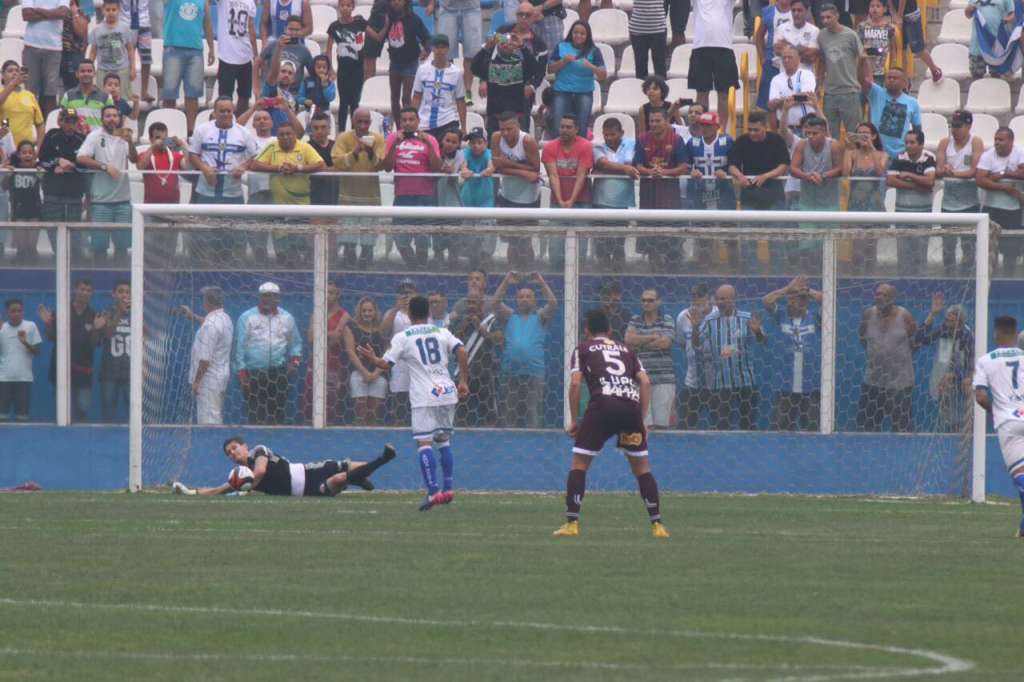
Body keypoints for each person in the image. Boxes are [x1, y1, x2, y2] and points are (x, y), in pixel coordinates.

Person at [554, 308, 669, 539]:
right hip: (630, 408)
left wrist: (575, 419)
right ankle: (658, 526)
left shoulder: (583, 348)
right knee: (642, 469)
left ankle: (572, 524)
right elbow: (645, 382)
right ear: (609, 331)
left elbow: (576, 383)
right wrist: (642, 418)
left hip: (602, 407)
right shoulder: (627, 349)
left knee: (579, 464)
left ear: (586, 331)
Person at [358, 295, 470, 511]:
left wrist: (373, 359)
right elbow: (462, 351)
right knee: (444, 441)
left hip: (424, 395)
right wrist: (463, 381)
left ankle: (433, 492)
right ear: (428, 313)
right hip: (447, 391)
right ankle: (448, 489)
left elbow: (385, 364)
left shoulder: (404, 336)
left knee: (424, 443)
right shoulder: (442, 331)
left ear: (408, 314)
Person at [173, 437, 396, 496]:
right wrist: (189, 491)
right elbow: (218, 490)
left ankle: (357, 477)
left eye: (234, 448)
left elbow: (260, 470)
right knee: (339, 480)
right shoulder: (240, 477)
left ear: (245, 446)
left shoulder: (258, 451)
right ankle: (381, 461)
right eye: (229, 453)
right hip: (307, 489)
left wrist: (246, 490)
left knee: (359, 466)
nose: (233, 453)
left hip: (310, 470)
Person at [973, 316, 1024, 536]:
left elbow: (981, 397)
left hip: (1009, 423)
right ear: (1015, 334)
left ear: (996, 333)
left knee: (1020, 475)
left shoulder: (986, 360)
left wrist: (998, 412)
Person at [692, 283, 766, 431]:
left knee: (748, 425)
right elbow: (697, 345)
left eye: (724, 299)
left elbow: (762, 341)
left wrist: (757, 332)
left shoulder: (746, 318)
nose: (720, 302)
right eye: (718, 299)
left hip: (745, 380)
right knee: (720, 425)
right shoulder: (709, 320)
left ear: (733, 300)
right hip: (721, 382)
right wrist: (695, 328)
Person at [490, 270, 557, 428]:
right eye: (521, 296)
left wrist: (541, 281)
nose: (524, 299)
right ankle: (507, 444)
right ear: (516, 300)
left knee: (533, 412)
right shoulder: (510, 316)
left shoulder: (539, 317)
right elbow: (495, 303)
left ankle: (535, 444)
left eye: (528, 296)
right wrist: (506, 281)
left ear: (534, 301)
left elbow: (553, 303)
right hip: (510, 372)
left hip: (534, 372)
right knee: (508, 413)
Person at [234, 281, 303, 425]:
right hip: (253, 372)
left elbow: (296, 343)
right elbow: (239, 347)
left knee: (278, 416)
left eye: (271, 296)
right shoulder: (246, 317)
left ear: (278, 298)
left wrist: (294, 363)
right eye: (264, 296)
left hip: (278, 372)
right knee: (254, 415)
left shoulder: (287, 318)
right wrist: (241, 372)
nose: (267, 299)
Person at [727, 111, 789, 267]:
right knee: (748, 242)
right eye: (750, 129)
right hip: (750, 197)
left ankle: (778, 275)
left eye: (756, 130)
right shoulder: (742, 141)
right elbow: (731, 165)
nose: (752, 133)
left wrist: (766, 176)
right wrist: (740, 176)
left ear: (765, 127)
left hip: (774, 197)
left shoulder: (776, 140)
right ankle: (750, 274)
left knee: (776, 242)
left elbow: (784, 166)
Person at [384, 107, 442, 267]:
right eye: (404, 120)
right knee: (400, 238)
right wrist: (395, 146)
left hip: (425, 196)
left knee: (422, 240)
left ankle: (421, 269)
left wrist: (428, 145)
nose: (408, 123)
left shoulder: (430, 139)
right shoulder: (392, 138)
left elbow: (437, 167)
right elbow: (387, 167)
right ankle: (412, 265)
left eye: (411, 119)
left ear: (418, 121)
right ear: (400, 122)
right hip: (402, 196)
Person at [76, 104, 136, 260]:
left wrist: (130, 142)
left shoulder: (124, 136)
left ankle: (122, 280)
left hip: (123, 200)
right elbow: (81, 157)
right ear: (102, 119)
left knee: (122, 248)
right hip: (100, 201)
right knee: (99, 248)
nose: (112, 119)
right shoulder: (95, 136)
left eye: (115, 116)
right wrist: (104, 167)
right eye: (108, 116)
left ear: (119, 118)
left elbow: (135, 160)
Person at [761, 276, 821, 431]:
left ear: (806, 302)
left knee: (813, 432)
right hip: (785, 387)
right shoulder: (780, 315)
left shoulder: (815, 317)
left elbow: (829, 302)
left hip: (811, 387)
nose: (794, 302)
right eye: (791, 299)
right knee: (778, 431)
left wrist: (807, 290)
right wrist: (788, 289)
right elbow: (766, 301)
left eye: (800, 299)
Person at [856, 283, 916, 432]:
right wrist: (878, 354)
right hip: (873, 381)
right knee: (866, 428)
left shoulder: (905, 316)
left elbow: (914, 342)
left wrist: (896, 356)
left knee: (902, 429)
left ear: (893, 298)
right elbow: (862, 339)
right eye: (877, 294)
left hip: (900, 383)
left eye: (884, 295)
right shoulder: (868, 315)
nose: (880, 297)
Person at [37, 279, 99, 421]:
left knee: (83, 409)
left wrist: (96, 328)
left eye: (88, 290)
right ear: (75, 290)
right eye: (82, 289)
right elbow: (52, 337)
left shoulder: (94, 315)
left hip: (84, 368)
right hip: (61, 367)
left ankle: (82, 439)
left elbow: (94, 343)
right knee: (62, 409)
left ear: (92, 293)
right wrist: (48, 324)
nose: (84, 293)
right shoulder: (61, 310)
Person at [635, 106, 689, 271]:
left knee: (671, 233)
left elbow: (683, 167)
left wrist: (665, 172)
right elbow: (637, 165)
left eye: (658, 120)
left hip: (669, 195)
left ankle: (673, 267)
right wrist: (650, 172)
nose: (654, 124)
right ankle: (653, 266)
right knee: (650, 232)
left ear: (666, 121)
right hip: (648, 194)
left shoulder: (676, 140)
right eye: (651, 121)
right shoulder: (642, 139)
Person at [332, 107, 385, 268]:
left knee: (368, 244)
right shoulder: (343, 138)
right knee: (348, 242)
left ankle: (366, 271)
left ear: (370, 122)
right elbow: (337, 161)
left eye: (366, 122)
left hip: (371, 197)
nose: (363, 125)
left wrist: (370, 152)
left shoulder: (378, 139)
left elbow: (381, 164)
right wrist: (355, 152)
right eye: (359, 121)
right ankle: (349, 270)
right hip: (347, 196)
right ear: (353, 121)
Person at [915, 291, 974, 434]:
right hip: (947, 378)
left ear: (960, 321)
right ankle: (949, 428)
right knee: (945, 400)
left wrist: (953, 375)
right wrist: (933, 314)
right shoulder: (944, 330)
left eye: (951, 320)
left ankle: (965, 430)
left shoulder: (967, 335)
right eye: (946, 319)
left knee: (963, 403)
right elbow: (920, 338)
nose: (947, 323)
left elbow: (969, 363)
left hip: (964, 377)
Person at [491, 111, 541, 269]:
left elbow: (535, 168)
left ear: (518, 126)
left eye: (509, 129)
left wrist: (508, 164)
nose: (505, 133)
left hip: (528, 198)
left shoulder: (528, 141)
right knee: (511, 239)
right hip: (506, 194)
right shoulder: (496, 138)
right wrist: (522, 172)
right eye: (503, 129)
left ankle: (529, 271)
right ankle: (512, 272)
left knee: (525, 240)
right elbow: (497, 167)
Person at [936, 110, 983, 275]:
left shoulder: (976, 143)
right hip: (948, 204)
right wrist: (945, 170)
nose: (954, 130)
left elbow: (974, 171)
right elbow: (939, 170)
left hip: (969, 203)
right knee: (948, 246)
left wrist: (953, 173)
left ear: (968, 126)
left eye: (958, 126)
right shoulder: (944, 143)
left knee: (969, 247)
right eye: (952, 126)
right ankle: (949, 276)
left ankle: (967, 279)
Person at [542, 113, 593, 267]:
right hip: (558, 203)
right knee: (555, 248)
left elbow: (581, 175)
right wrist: (561, 201)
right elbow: (553, 175)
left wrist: (571, 200)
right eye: (562, 126)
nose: (564, 130)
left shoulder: (585, 146)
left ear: (577, 129)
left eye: (569, 127)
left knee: (580, 250)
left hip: (582, 202)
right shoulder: (549, 147)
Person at [179, 286, 233, 425]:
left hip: (208, 379)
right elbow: (212, 326)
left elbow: (204, 360)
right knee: (215, 414)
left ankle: (212, 445)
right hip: (219, 376)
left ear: (206, 302)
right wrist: (193, 317)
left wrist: (197, 382)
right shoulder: (224, 318)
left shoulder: (210, 326)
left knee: (208, 420)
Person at [976, 127, 1024, 275]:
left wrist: (1003, 173)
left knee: (1011, 251)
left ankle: (1008, 280)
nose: (997, 142)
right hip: (991, 209)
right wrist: (1005, 188)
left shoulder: (1020, 152)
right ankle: (991, 283)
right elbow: (980, 180)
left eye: (1001, 139)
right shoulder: (988, 155)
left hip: (1013, 210)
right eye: (996, 139)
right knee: (990, 250)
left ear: (1011, 141)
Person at [625, 289, 675, 429]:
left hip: (663, 380)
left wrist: (640, 341)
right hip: (640, 380)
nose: (646, 303)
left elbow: (665, 343)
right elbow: (629, 340)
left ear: (659, 302)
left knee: (661, 426)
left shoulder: (667, 319)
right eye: (643, 300)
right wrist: (652, 337)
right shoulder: (635, 320)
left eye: (650, 300)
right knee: (642, 426)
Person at [471, 31, 539, 136]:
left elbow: (534, 68)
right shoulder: (490, 64)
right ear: (497, 46)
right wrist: (486, 48)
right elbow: (474, 67)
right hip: (495, 117)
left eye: (510, 44)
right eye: (502, 43)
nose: (506, 46)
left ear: (514, 47)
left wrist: (522, 47)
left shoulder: (520, 65)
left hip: (517, 116)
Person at [300, 280, 349, 425]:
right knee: (311, 395)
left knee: (331, 398)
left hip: (334, 362)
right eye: (325, 292)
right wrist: (330, 334)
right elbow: (310, 338)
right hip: (315, 360)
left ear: (337, 294)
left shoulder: (344, 315)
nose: (328, 296)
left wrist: (322, 334)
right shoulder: (317, 313)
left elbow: (337, 339)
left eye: (331, 292)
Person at [161, 0, 214, 134]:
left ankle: (191, 132)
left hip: (195, 50)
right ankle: (168, 131)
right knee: (169, 94)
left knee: (193, 95)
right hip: (173, 48)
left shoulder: (204, 1)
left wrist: (211, 47)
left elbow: (207, 24)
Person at [886, 129, 935, 271]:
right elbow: (890, 181)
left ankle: (921, 284)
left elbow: (930, 181)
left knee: (921, 253)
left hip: (923, 214)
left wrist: (909, 175)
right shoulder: (899, 157)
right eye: (906, 142)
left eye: (912, 142)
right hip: (902, 213)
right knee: (903, 254)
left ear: (921, 144)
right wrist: (916, 185)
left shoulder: (928, 158)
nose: (908, 145)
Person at [592, 116, 637, 269]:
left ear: (622, 132)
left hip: (622, 202)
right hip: (600, 202)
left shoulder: (632, 144)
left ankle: (618, 278)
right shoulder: (598, 148)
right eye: (606, 135)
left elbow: (631, 163)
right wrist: (625, 169)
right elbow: (602, 163)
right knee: (601, 244)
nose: (609, 138)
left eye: (613, 134)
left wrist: (608, 168)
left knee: (618, 244)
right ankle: (602, 276)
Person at [449, 288, 500, 427]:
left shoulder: (490, 320)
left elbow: (499, 340)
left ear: (481, 303)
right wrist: (463, 327)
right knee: (461, 416)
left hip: (485, 375)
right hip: (463, 376)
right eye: (469, 302)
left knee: (488, 416)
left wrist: (480, 327)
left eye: (474, 302)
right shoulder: (458, 320)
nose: (471, 306)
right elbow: (450, 343)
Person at [548, 20, 605, 139]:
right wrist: (563, 61)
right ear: (571, 33)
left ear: (587, 35)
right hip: (562, 92)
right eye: (576, 32)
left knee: (582, 127)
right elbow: (550, 69)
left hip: (584, 93)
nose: (578, 35)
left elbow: (603, 75)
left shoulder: (594, 51)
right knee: (558, 126)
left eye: (582, 33)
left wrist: (591, 66)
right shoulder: (561, 46)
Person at [842, 121, 887, 271]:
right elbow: (845, 173)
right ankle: (855, 278)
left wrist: (871, 148)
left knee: (871, 249)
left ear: (873, 135)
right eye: (859, 132)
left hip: (874, 205)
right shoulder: (852, 154)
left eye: (866, 133)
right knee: (857, 250)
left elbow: (880, 172)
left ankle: (871, 276)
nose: (862, 135)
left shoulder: (882, 154)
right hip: (856, 205)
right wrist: (848, 149)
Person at [137, 121, 184, 261]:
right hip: (151, 209)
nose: (161, 141)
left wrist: (184, 146)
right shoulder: (146, 154)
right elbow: (140, 166)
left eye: (164, 138)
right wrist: (152, 147)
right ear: (151, 139)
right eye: (158, 138)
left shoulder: (174, 155)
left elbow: (188, 165)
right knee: (151, 249)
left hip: (172, 210)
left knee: (170, 248)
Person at [817, 3, 865, 141]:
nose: (825, 21)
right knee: (830, 137)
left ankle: (855, 162)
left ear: (837, 16)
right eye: (823, 18)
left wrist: (864, 80)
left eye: (828, 17)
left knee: (855, 135)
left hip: (849, 91)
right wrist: (819, 84)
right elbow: (821, 61)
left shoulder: (850, 35)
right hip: (830, 93)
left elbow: (863, 58)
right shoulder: (821, 35)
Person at [689, 0, 737, 131]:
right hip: (700, 47)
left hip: (724, 47)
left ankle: (721, 130)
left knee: (724, 94)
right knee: (702, 93)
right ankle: (703, 129)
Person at [412, 34, 467, 143]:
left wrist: (464, 126)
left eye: (443, 47)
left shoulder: (456, 73)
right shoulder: (422, 69)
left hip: (448, 120)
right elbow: (417, 96)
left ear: (447, 49)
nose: (439, 50)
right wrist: (414, 120)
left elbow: (460, 100)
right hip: (425, 121)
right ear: (432, 48)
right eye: (437, 47)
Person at [675, 282, 716, 429]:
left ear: (709, 297)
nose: (696, 299)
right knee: (684, 426)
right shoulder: (683, 316)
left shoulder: (718, 314)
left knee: (720, 427)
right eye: (693, 295)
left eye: (699, 295)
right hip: (692, 381)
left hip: (716, 383)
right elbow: (681, 343)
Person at [383, 0, 431, 123]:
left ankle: (408, 126)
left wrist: (426, 50)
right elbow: (380, 36)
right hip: (394, 62)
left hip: (410, 63)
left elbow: (427, 37)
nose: (396, 2)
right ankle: (399, 128)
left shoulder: (413, 19)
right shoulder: (387, 18)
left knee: (406, 98)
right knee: (394, 98)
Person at [21, 0, 70, 117]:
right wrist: (52, 14)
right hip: (31, 45)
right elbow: (26, 15)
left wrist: (38, 11)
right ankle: (30, 123)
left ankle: (48, 126)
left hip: (53, 48)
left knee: (51, 92)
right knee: (29, 90)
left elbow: (63, 13)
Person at [344, 296, 388, 426]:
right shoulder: (350, 327)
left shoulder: (381, 329)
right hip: (358, 372)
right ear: (359, 312)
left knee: (374, 412)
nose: (367, 313)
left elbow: (388, 353)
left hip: (378, 372)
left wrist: (374, 374)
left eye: (370, 311)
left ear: (375, 312)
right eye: (364, 311)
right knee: (360, 407)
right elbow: (350, 352)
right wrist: (365, 373)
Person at [862, 66, 921, 161]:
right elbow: (862, 80)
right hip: (876, 153)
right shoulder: (876, 93)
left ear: (904, 83)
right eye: (889, 78)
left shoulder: (913, 102)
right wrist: (862, 61)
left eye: (895, 78)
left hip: (901, 155)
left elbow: (917, 130)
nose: (891, 80)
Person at [426, 0, 482, 99]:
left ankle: (467, 91)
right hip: (448, 8)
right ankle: (449, 88)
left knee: (471, 53)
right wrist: (431, 3)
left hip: (471, 8)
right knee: (445, 52)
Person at [326, 0, 368, 130]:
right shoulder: (334, 26)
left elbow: (366, 39)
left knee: (355, 103)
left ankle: (356, 131)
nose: (345, 8)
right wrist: (331, 68)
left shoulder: (359, 23)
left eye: (348, 6)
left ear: (353, 7)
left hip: (358, 69)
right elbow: (328, 48)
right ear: (339, 7)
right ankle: (342, 131)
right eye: (342, 5)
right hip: (343, 70)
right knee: (343, 103)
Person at [381, 279, 418, 426]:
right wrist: (396, 309)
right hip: (399, 364)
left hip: (417, 362)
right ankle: (399, 422)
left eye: (410, 293)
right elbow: (383, 333)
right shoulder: (392, 313)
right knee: (400, 397)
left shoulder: (422, 313)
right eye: (403, 293)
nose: (406, 296)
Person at [258, 16, 314, 111]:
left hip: (293, 94)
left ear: (301, 31)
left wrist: (304, 96)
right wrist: (256, 87)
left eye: (297, 30)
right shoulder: (274, 44)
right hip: (272, 90)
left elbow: (313, 73)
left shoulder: (304, 51)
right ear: (285, 29)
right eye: (291, 29)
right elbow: (257, 62)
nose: (294, 32)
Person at [0, 299, 42, 422]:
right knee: (2, 419)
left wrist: (25, 342)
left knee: (22, 419)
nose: (16, 313)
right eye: (13, 311)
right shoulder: (2, 329)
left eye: (19, 311)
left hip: (24, 379)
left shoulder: (31, 326)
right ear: (7, 312)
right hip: (3, 380)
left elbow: (37, 352)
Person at [790, 114, 842, 216]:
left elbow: (841, 169)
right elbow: (793, 168)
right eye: (808, 133)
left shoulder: (834, 145)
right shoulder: (802, 144)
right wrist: (806, 176)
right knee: (806, 232)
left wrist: (823, 176)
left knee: (831, 232)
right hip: (807, 202)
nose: (810, 136)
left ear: (824, 132)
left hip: (830, 203)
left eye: (815, 133)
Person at [96, 280, 131, 423]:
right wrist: (119, 312)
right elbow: (107, 335)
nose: (124, 294)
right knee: (108, 410)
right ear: (113, 294)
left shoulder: (137, 313)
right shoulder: (106, 312)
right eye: (121, 291)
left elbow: (146, 335)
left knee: (134, 410)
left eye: (127, 292)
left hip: (130, 372)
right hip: (110, 371)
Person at [216, 0, 259, 114]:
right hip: (227, 56)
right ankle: (225, 122)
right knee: (225, 96)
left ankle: (240, 122)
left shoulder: (250, 2)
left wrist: (255, 53)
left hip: (245, 54)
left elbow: (251, 28)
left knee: (245, 95)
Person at [88, 0, 137, 99]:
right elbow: (93, 52)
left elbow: (130, 50)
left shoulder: (125, 28)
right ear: (103, 10)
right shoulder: (97, 30)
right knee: (102, 99)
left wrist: (133, 68)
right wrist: (91, 68)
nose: (111, 12)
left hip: (122, 69)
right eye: (108, 10)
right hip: (103, 70)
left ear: (118, 10)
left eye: (113, 10)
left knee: (123, 99)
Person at [753, 0, 792, 118]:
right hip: (772, 63)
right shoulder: (768, 11)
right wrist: (762, 58)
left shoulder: (799, 9)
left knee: (792, 101)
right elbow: (759, 36)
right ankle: (773, 133)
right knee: (770, 104)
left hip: (793, 64)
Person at [767, 47, 820, 133]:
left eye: (790, 57)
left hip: (806, 128)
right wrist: (796, 97)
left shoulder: (807, 74)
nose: (786, 60)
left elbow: (806, 97)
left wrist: (781, 101)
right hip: (785, 129)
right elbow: (772, 104)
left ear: (798, 60)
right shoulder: (776, 79)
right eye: (784, 57)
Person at [886, 0, 941, 82]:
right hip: (895, 15)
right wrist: (893, 12)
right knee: (901, 50)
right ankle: (904, 80)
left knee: (918, 49)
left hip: (911, 15)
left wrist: (899, 16)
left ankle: (934, 69)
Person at [965, 0, 1015, 79]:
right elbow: (967, 15)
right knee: (977, 78)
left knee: (997, 79)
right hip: (978, 44)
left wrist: (1005, 20)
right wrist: (969, 9)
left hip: (997, 44)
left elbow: (1012, 14)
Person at [59, 59, 113, 132]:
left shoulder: (106, 97)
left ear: (94, 73)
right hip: (75, 138)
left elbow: (110, 119)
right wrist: (74, 116)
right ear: (77, 74)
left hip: (98, 139)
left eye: (89, 71)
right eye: (82, 71)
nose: (86, 74)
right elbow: (62, 118)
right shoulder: (68, 96)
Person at [0, 61, 44, 148]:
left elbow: (40, 124)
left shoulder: (29, 95)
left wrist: (38, 148)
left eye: (17, 71)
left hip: (26, 149)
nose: (14, 73)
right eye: (10, 71)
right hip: (4, 148)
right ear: (2, 75)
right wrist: (13, 84)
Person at [120, 0, 153, 102]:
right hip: (125, 24)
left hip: (144, 24)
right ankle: (125, 91)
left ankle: (144, 92)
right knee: (125, 59)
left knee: (146, 59)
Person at [774, 0, 819, 74]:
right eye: (793, 10)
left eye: (799, 10)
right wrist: (803, 50)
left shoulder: (814, 30)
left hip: (806, 79)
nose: (796, 13)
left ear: (807, 11)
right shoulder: (782, 28)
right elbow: (777, 51)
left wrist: (788, 45)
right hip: (785, 78)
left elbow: (812, 57)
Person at [857, 0, 895, 86]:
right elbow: (859, 48)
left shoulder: (889, 27)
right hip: (865, 69)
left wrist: (891, 67)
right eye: (872, 6)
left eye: (878, 6)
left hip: (882, 70)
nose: (874, 9)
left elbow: (893, 48)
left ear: (884, 9)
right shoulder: (862, 26)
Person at [629, 0, 668, 80]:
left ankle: (661, 91)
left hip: (658, 27)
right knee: (640, 65)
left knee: (660, 65)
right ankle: (641, 91)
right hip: (638, 28)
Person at [59, 0, 90, 93]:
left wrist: (74, 14)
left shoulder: (82, 14)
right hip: (57, 52)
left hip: (74, 54)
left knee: (73, 87)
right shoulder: (56, 12)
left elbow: (81, 34)